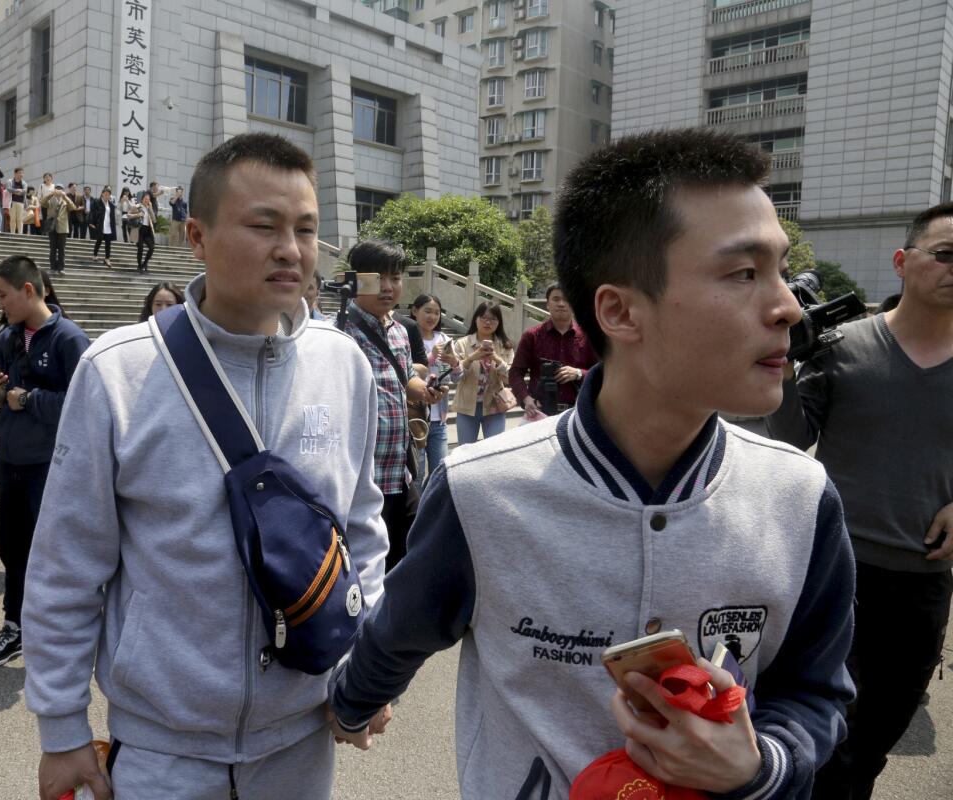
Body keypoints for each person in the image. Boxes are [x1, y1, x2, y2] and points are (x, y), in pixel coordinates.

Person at [329, 127, 856, 799]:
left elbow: (815, 692)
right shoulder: (484, 491)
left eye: (781, 271)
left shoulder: (801, 498)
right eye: (744, 273)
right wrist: (350, 704)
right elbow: (399, 631)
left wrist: (759, 768)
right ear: (619, 311)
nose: (786, 306)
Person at [22, 131, 390, 800]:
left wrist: (366, 674)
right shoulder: (119, 371)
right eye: (264, 225)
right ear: (196, 236)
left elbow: (361, 530)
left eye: (306, 228)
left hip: (301, 740)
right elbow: (66, 564)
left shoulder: (345, 366)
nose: (291, 248)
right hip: (163, 750)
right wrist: (62, 727)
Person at [768, 202, 953, 800]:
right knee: (801, 731)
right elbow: (792, 438)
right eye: (946, 254)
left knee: (871, 742)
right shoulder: (841, 344)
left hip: (921, 584)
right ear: (903, 262)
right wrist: (785, 367)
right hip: (829, 572)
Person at [0, 255, 90, 671]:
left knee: (53, 554)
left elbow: (83, 406)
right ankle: (15, 626)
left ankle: (60, 632)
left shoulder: (69, 339)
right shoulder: (7, 337)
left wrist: (25, 399)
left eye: (2, 295)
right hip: (10, 460)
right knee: (13, 550)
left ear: (27, 290)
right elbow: (3, 400)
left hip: (50, 465)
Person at [340, 239, 435, 571]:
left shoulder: (400, 331)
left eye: (395, 277)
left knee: (404, 557)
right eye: (377, 277)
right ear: (354, 280)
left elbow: (406, 375)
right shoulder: (339, 331)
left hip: (401, 470)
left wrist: (424, 390)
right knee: (366, 565)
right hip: (362, 478)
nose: (388, 287)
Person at [510, 282, 598, 417]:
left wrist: (579, 373)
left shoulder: (587, 337)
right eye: (556, 299)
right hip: (540, 412)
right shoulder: (532, 336)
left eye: (567, 299)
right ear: (548, 304)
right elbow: (515, 373)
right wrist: (526, 399)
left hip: (577, 413)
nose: (561, 304)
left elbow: (601, 372)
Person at [410, 294, 461, 480]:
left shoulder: (445, 338)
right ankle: (417, 509)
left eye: (437, 313)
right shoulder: (407, 336)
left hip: (439, 417)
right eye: (428, 311)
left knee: (440, 471)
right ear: (415, 311)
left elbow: (457, 377)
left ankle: (430, 507)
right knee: (417, 470)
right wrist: (431, 357)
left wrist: (455, 362)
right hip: (415, 415)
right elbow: (409, 373)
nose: (432, 316)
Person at [450, 302, 515, 443]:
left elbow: (511, 378)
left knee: (493, 451)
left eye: (493, 319)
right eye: (483, 318)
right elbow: (455, 377)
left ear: (499, 322)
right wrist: (472, 357)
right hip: (466, 407)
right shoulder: (462, 343)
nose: (488, 322)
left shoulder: (506, 346)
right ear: (476, 319)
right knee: (465, 452)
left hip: (495, 406)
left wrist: (496, 359)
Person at [41, 184, 76, 274]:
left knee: (62, 249)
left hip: (63, 227)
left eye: (61, 189)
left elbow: (73, 207)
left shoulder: (65, 201)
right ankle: (53, 267)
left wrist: (65, 196)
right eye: (57, 189)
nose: (59, 191)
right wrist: (50, 194)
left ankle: (61, 268)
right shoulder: (50, 200)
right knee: (52, 248)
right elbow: (42, 202)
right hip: (52, 227)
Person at [88, 186, 118, 268]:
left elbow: (112, 217)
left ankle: (107, 259)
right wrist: (91, 222)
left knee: (108, 243)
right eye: (105, 194)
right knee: (99, 241)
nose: (106, 196)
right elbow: (92, 213)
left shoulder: (111, 205)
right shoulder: (97, 202)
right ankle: (94, 255)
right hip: (100, 225)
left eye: (108, 194)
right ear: (102, 194)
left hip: (108, 226)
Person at [134, 191, 156, 273]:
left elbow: (154, 220)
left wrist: (150, 208)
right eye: (145, 199)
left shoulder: (149, 208)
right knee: (140, 248)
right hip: (139, 229)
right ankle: (139, 265)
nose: (147, 200)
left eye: (148, 199)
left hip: (147, 230)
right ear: (142, 199)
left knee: (152, 248)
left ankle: (144, 264)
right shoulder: (138, 206)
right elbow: (130, 216)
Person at [7, 168, 28, 235]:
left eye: (22, 173)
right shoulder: (10, 181)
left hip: (21, 202)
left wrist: (16, 191)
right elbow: (9, 189)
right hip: (12, 202)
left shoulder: (24, 183)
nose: (21, 174)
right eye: (19, 173)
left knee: (20, 219)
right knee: (12, 219)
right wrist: (17, 190)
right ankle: (12, 233)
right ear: (15, 173)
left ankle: (20, 233)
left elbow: (24, 191)